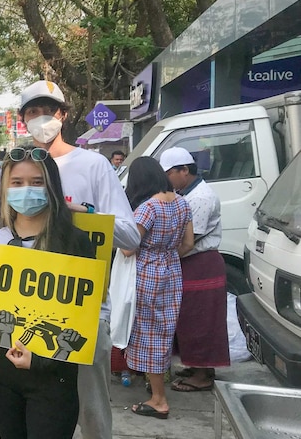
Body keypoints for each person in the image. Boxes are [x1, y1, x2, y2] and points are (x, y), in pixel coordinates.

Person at [17, 80, 141, 439]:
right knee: (42, 413)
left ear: (63, 115)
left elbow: (131, 236)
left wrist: (81, 216)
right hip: (31, 309)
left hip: (85, 309)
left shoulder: (94, 165)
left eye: (49, 111)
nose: (42, 118)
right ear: (23, 119)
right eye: (33, 112)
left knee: (92, 412)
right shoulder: (19, 169)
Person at [0, 145, 96, 439]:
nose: (27, 190)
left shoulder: (75, 242)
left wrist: (42, 360)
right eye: (17, 183)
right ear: (5, 187)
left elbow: (83, 319)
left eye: (37, 182)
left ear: (51, 187)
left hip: (52, 378)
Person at [122, 156, 193, 419]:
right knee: (164, 330)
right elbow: (188, 244)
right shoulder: (182, 203)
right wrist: (167, 254)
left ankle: (158, 399)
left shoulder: (147, 208)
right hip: (172, 269)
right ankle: (157, 391)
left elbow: (129, 248)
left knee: (149, 333)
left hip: (148, 272)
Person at [159, 147, 229, 392]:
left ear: (184, 170)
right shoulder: (185, 193)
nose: (166, 179)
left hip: (201, 264)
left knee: (201, 321)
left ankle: (202, 376)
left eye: (168, 173)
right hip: (190, 264)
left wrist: (162, 260)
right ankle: (197, 366)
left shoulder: (200, 198)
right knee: (187, 320)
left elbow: (188, 240)